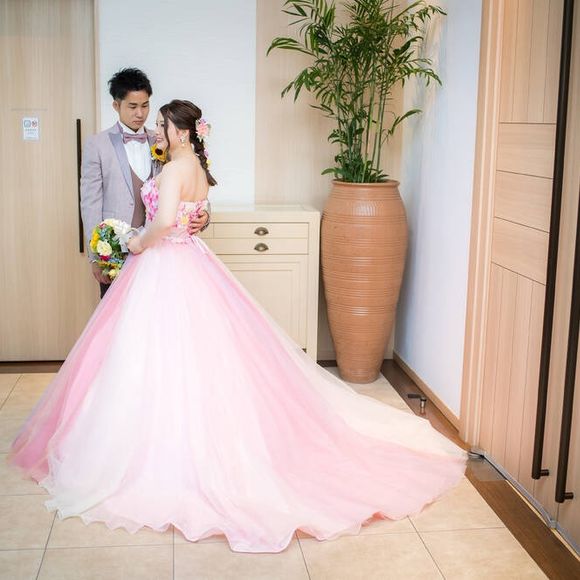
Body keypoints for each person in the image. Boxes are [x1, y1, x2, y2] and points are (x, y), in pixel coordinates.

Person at [9, 100, 466, 554]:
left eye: (163, 124)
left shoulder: (174, 169)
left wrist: (135, 242)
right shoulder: (195, 168)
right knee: (190, 358)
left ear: (182, 132)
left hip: (164, 264)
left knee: (154, 356)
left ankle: (155, 453)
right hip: (189, 261)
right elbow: (192, 211)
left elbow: (164, 222)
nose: (157, 131)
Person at [80, 68, 210, 298]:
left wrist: (205, 213)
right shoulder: (97, 145)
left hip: (159, 251)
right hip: (117, 250)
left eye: (145, 105)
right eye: (132, 106)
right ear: (116, 105)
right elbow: (90, 203)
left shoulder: (164, 138)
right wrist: (96, 256)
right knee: (117, 315)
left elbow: (189, 180)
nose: (140, 113)